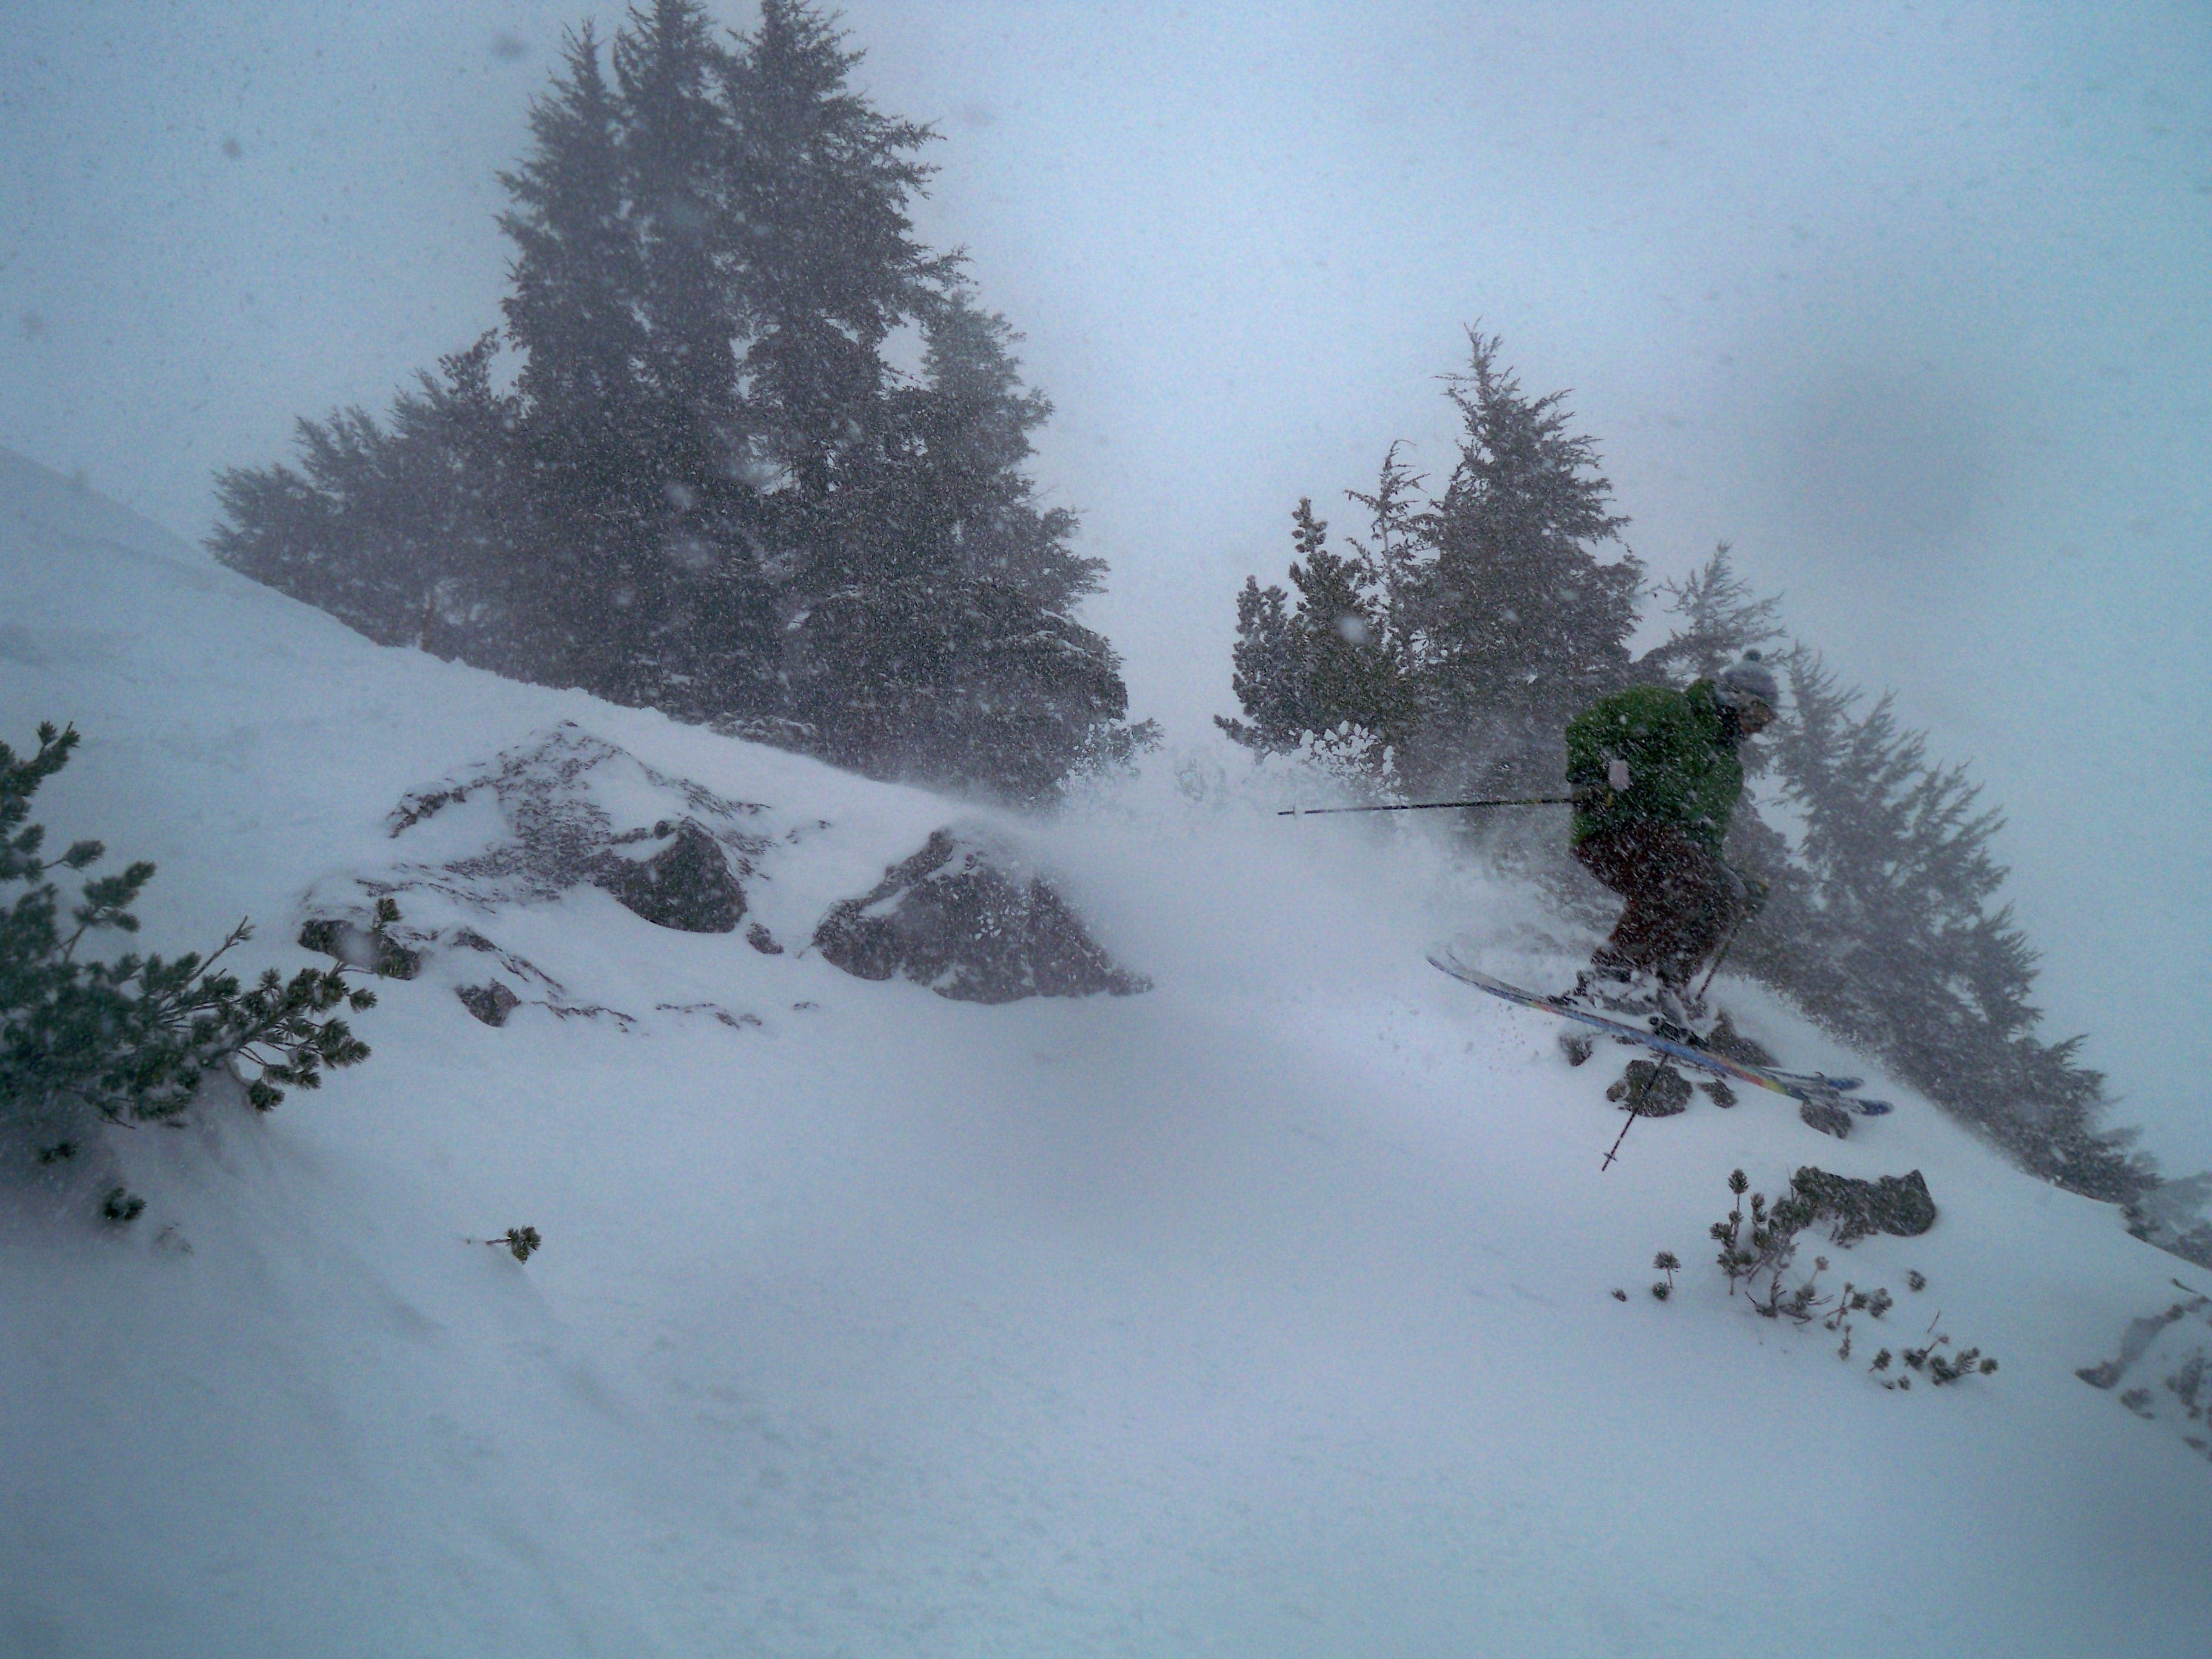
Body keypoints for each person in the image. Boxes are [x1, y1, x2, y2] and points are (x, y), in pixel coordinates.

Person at [1562, 651, 1780, 1019]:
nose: (1758, 728)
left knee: (1725, 891)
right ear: (1733, 697)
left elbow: (1706, 841)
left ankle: (1668, 985)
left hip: (1671, 850)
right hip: (1613, 828)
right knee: (1686, 870)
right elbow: (1589, 727)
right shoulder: (1667, 708)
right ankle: (1611, 977)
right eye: (1758, 714)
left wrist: (1735, 879)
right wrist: (1594, 774)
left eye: (1768, 721)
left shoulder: (1728, 769)